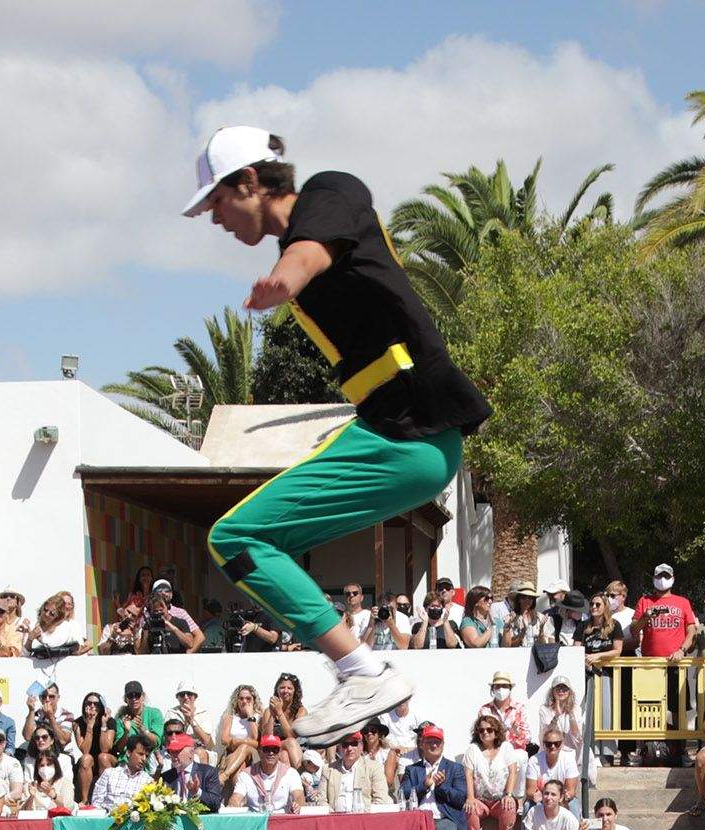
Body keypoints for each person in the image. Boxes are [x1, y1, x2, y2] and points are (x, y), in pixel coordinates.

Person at [186, 127, 491, 743]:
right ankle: (357, 669)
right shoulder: (301, 237)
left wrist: (288, 278)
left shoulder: (332, 193)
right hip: (395, 436)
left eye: (216, 202)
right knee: (251, 542)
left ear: (250, 182)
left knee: (235, 533)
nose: (214, 219)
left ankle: (362, 670)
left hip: (410, 438)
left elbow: (311, 249)